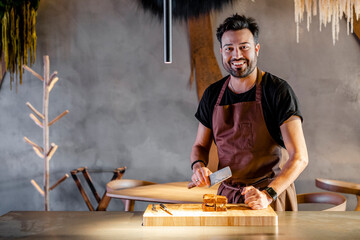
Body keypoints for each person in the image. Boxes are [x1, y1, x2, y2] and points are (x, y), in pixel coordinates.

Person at [190, 14, 308, 211]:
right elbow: (200, 145)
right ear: (221, 51)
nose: (236, 55)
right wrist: (198, 166)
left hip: (270, 197)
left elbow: (299, 157)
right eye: (229, 49)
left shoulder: (277, 91)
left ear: (256, 49)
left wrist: (267, 195)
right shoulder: (212, 95)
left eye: (244, 47)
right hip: (227, 197)